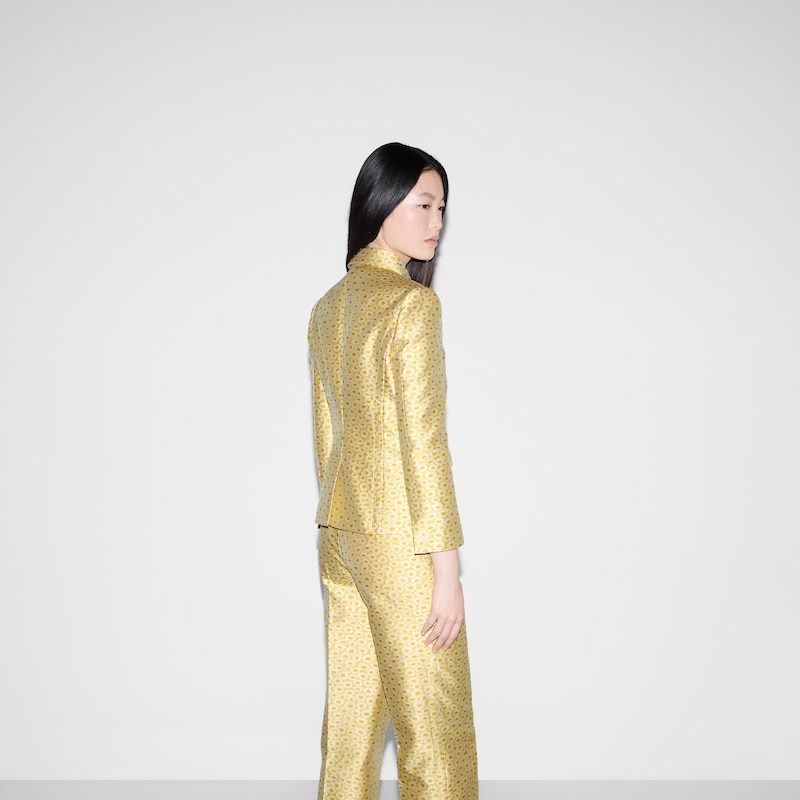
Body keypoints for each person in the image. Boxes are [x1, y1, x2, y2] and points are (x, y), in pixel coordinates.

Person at [308, 142, 478, 800]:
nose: (436, 222)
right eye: (424, 205)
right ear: (380, 204)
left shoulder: (328, 307)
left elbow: (327, 437)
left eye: (442, 209)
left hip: (339, 533)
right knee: (435, 731)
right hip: (401, 543)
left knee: (351, 725)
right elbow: (424, 441)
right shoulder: (412, 306)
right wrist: (446, 569)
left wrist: (339, 519)